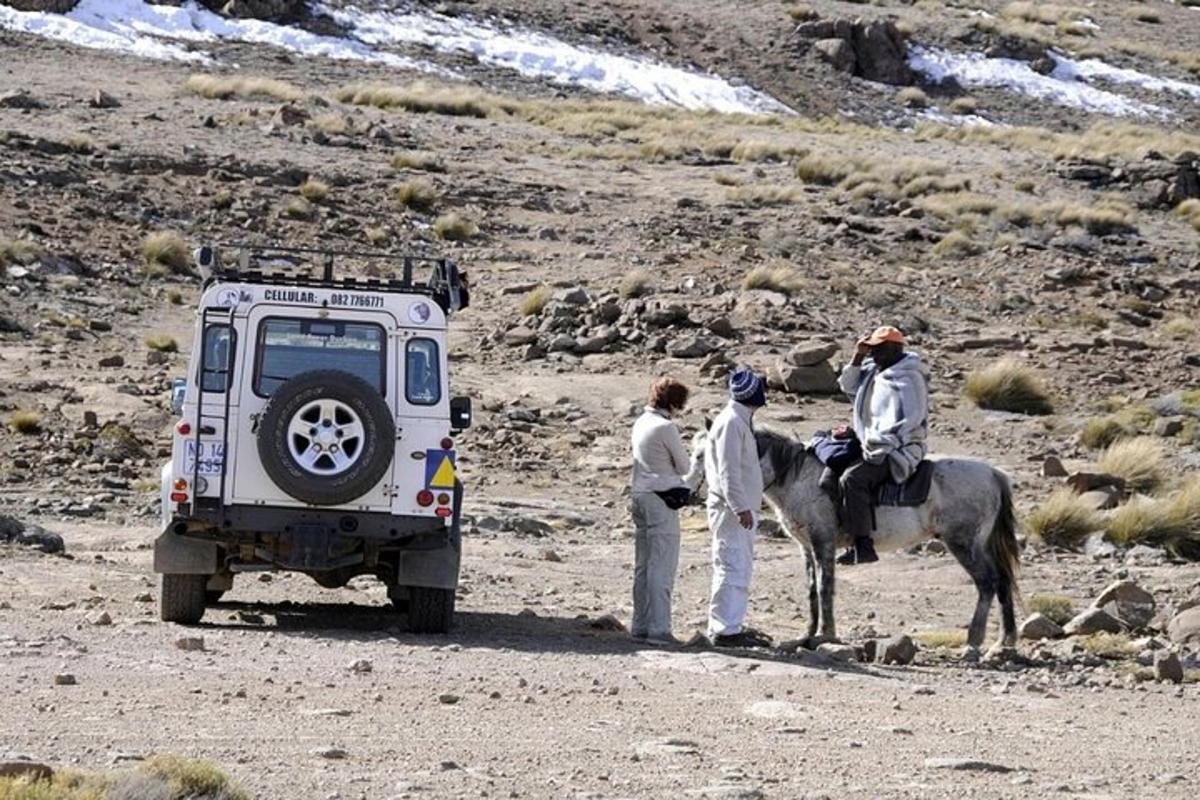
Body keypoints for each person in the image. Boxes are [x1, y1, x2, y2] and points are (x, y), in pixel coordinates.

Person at [835, 326, 930, 566]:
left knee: (853, 480)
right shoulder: (874, 371)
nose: (874, 354)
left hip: (898, 448)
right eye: (872, 349)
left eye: (878, 349)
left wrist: (879, 444)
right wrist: (857, 355)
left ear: (895, 348)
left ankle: (863, 545)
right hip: (871, 441)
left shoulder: (908, 377)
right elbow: (847, 385)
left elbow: (908, 420)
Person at [629, 377, 703, 644]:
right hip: (661, 499)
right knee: (662, 566)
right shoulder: (665, 427)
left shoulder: (640, 422)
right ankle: (659, 630)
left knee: (644, 566)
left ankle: (639, 624)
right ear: (673, 403)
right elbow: (684, 467)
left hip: (639, 494)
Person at [704, 367, 771, 648]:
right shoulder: (732, 422)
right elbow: (728, 471)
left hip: (736, 509)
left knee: (736, 566)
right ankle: (725, 630)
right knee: (732, 566)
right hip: (733, 511)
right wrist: (740, 506)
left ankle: (730, 625)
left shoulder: (737, 419)